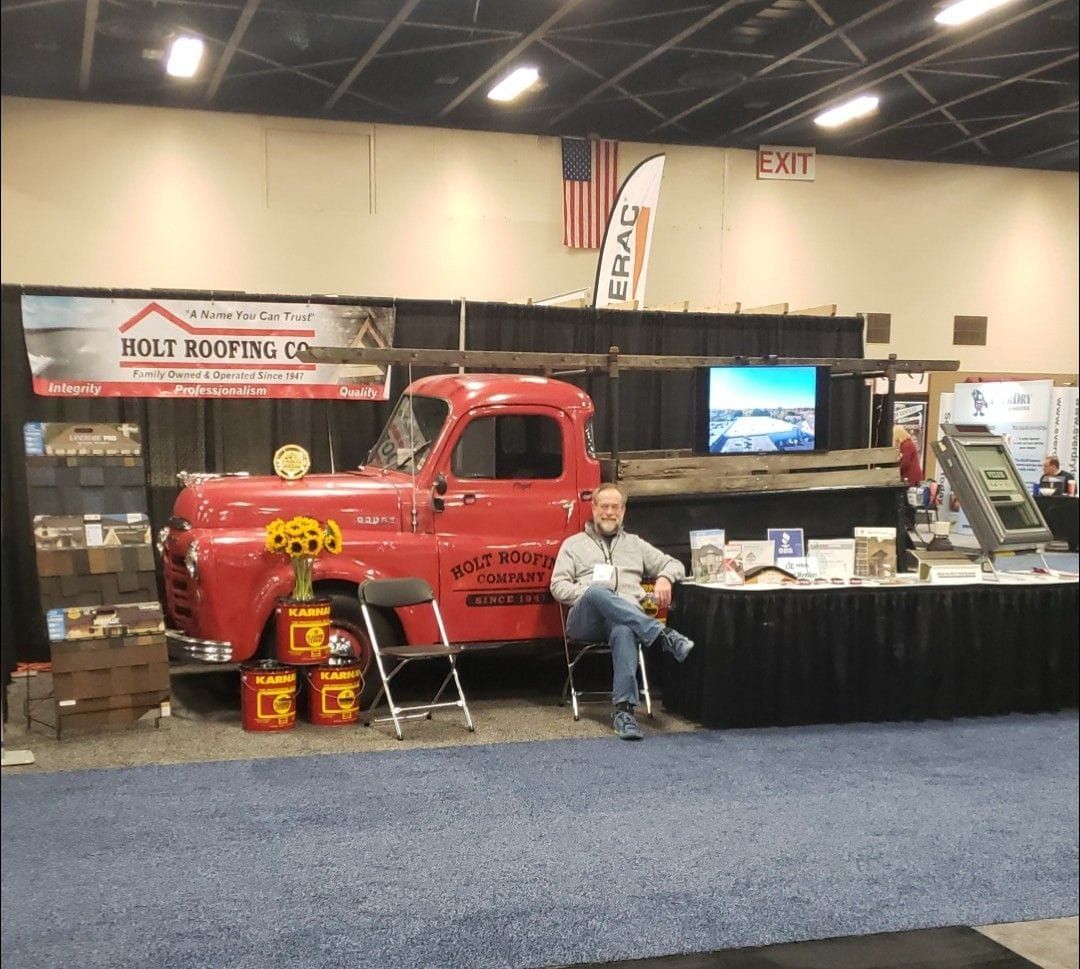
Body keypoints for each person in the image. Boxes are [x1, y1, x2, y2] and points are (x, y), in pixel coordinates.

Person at [550, 483, 694, 741]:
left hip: (625, 619)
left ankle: (624, 712)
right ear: (594, 508)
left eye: (615, 507)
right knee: (597, 591)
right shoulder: (573, 545)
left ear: (623, 511)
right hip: (587, 620)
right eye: (604, 506)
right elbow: (557, 586)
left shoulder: (636, 544)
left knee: (625, 629)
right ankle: (662, 635)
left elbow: (674, 564)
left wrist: (664, 578)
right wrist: (591, 594)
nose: (609, 512)